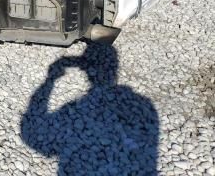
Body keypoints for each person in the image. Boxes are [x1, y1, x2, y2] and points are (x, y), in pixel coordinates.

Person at [21, 44, 159, 175]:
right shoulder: (144, 105)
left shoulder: (75, 110)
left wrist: (50, 80)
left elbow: (34, 136)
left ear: (87, 71)